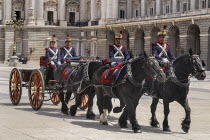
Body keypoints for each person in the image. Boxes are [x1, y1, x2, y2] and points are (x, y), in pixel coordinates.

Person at [143, 25, 176, 97]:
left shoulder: (167, 46)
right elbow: (155, 55)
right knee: (157, 74)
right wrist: (162, 59)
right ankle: (153, 90)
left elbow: (170, 54)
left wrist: (174, 60)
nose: (162, 38)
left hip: (166, 62)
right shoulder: (155, 45)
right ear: (158, 38)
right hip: (158, 62)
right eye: (161, 37)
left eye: (163, 37)